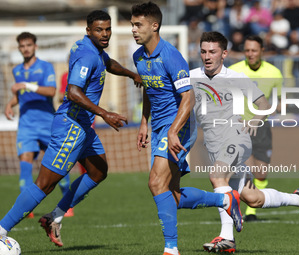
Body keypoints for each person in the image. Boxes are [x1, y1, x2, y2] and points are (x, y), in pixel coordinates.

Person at [0, 10, 142, 247]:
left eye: (108, 29)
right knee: (45, 184)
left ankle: (54, 216)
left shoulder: (92, 48)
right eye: (99, 30)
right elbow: (73, 92)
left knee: (98, 171)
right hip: (71, 126)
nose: (105, 34)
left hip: (84, 126)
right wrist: (105, 113)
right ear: (89, 31)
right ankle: (2, 228)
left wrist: (130, 74)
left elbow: (108, 63)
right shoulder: (87, 55)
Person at [190, 31, 299, 253]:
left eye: (212, 52)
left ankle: (227, 239)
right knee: (252, 199)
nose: (207, 56)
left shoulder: (236, 78)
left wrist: (254, 120)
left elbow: (264, 104)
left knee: (216, 176)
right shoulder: (192, 76)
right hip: (214, 145)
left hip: (236, 137)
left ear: (224, 54)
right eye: (203, 51)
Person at [131, 3, 242, 255]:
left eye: (138, 25)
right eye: (132, 25)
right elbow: (150, 90)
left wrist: (172, 131)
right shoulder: (138, 56)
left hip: (178, 126)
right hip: (159, 126)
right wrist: (144, 121)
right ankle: (226, 199)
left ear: (154, 25)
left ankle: (171, 248)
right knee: (173, 196)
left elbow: (188, 98)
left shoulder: (170, 56)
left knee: (155, 183)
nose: (134, 30)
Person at [4, 32, 73, 219]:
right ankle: (27, 208)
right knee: (25, 165)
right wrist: (10, 104)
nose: (25, 48)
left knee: (57, 165)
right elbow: (21, 94)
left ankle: (67, 202)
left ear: (35, 46)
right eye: (22, 46)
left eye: (28, 45)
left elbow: (51, 91)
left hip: (47, 123)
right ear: (19, 48)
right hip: (26, 124)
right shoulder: (17, 70)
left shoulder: (45, 67)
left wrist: (26, 85)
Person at [229, 35, 283, 222]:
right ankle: (240, 210)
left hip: (261, 127)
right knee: (238, 170)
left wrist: (277, 107)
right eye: (247, 50)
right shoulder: (234, 71)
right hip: (238, 127)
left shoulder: (274, 73)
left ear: (262, 51)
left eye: (254, 50)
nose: (250, 54)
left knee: (261, 172)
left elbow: (277, 100)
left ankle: (251, 210)